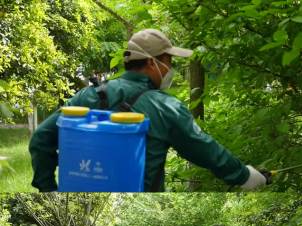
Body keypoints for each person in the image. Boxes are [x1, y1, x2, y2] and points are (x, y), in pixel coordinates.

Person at [29, 28, 267, 192]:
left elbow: (40, 139)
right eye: (169, 62)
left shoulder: (88, 95)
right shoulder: (165, 107)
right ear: (154, 62)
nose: (170, 69)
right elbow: (204, 148)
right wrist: (244, 176)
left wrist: (49, 189)